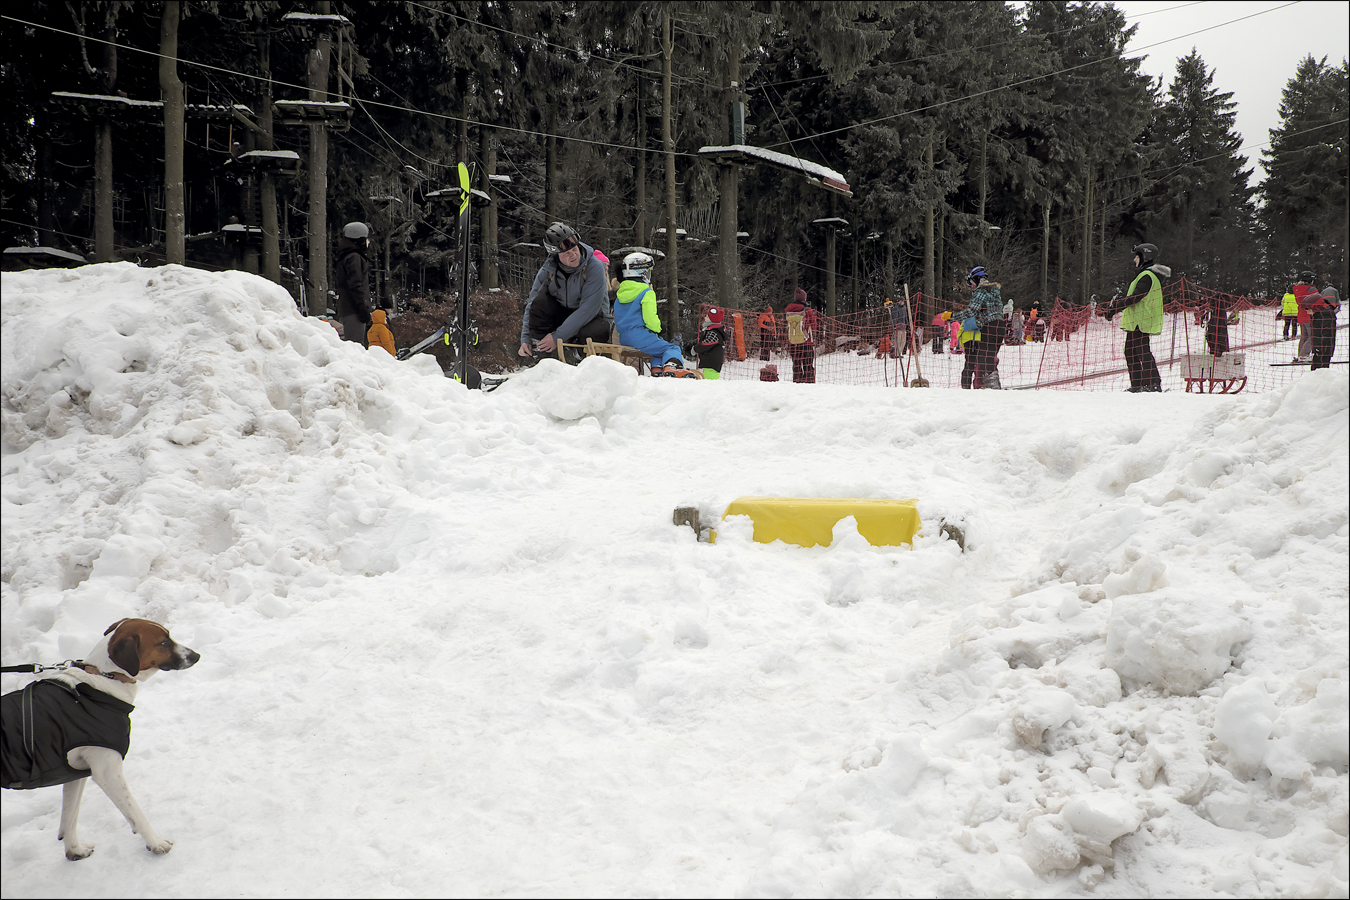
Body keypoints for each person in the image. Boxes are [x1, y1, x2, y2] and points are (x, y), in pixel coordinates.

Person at [518, 222, 611, 360]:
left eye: (575, 249)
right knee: (540, 304)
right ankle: (540, 357)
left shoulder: (595, 267)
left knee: (592, 331)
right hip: (563, 315)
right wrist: (525, 338)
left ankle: (581, 361)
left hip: (593, 319)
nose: (573, 255)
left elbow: (588, 309)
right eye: (566, 253)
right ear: (556, 255)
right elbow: (532, 303)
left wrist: (557, 337)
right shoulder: (548, 270)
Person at [1101, 243, 1169, 392]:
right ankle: (1138, 385)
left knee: (1142, 350)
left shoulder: (1147, 277)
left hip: (1141, 320)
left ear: (1144, 257)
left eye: (1136, 256)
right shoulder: (1145, 275)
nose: (1134, 260)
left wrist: (1114, 308)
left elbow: (1135, 298)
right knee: (1131, 351)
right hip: (1137, 321)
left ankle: (1152, 384)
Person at [611, 251, 688, 376]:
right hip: (639, 336)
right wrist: (658, 328)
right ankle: (672, 367)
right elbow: (650, 318)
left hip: (624, 338)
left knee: (657, 350)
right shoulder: (646, 292)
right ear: (642, 272)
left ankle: (657, 369)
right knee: (671, 348)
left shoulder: (620, 294)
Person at [942, 266, 1008, 389]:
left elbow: (971, 312)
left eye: (972, 283)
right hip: (1000, 326)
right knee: (989, 358)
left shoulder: (981, 291)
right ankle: (992, 384)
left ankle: (991, 387)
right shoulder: (995, 291)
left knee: (983, 360)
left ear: (976, 280)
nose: (972, 286)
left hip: (989, 327)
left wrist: (952, 316)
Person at [335, 222, 373, 347]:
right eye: (365, 239)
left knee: (354, 346)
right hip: (354, 310)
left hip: (350, 309)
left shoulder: (347, 256)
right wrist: (363, 308)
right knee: (355, 348)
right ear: (359, 239)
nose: (367, 242)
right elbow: (355, 285)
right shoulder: (354, 257)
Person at [1302, 277, 1340, 370]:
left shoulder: (1325, 315)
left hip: (1323, 351)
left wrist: (1321, 348)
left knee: (1320, 372)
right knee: (1314, 371)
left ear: (1315, 307)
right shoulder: (1317, 315)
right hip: (1318, 350)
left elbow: (1327, 334)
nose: (1307, 312)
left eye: (1308, 309)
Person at [784, 287, 817, 383]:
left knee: (796, 364)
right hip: (806, 341)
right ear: (804, 298)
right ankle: (809, 382)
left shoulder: (788, 310)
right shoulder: (808, 310)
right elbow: (814, 325)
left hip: (793, 341)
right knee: (808, 364)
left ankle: (797, 381)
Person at [1291, 271, 1319, 362]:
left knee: (1304, 336)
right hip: (1309, 315)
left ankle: (1301, 355)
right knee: (1312, 336)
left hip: (1301, 315)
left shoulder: (1297, 289)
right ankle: (1305, 355)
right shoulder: (1311, 290)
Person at [693, 307, 727, 379]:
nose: (705, 317)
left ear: (712, 320)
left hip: (712, 364)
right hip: (709, 363)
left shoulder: (714, 332)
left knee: (710, 384)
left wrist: (695, 349)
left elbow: (706, 344)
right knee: (706, 382)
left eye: (707, 316)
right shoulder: (711, 330)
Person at [1203, 294, 1230, 358]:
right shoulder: (1220, 310)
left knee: (1216, 335)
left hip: (1217, 330)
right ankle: (1218, 350)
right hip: (1218, 327)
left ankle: (1217, 350)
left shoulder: (1217, 310)